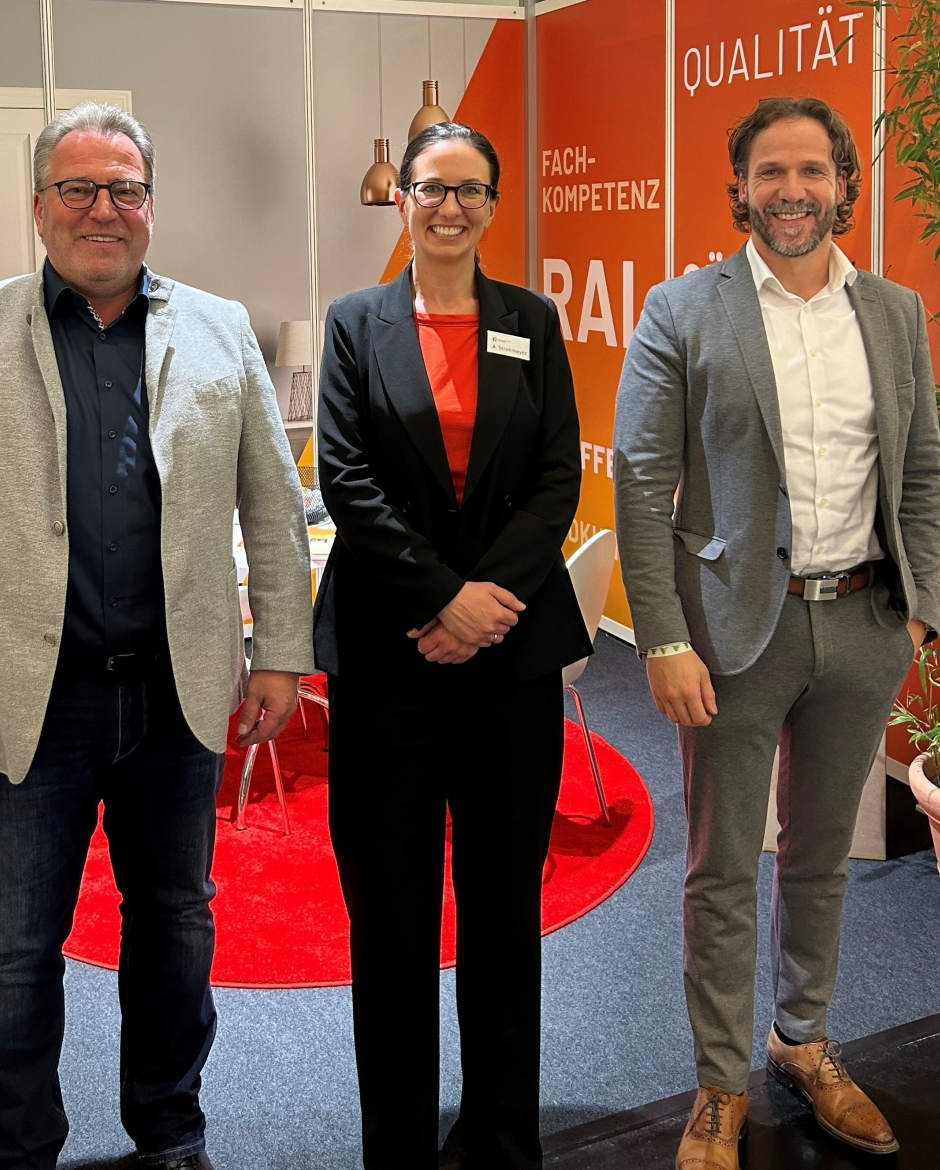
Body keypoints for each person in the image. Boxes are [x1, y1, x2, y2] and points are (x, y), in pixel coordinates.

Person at [0, 101, 313, 1170]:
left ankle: (170, 1132)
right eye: (78, 188)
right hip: (26, 703)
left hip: (175, 693)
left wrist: (283, 651)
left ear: (151, 204)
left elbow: (273, 507)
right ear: (39, 206)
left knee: (176, 924)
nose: (102, 209)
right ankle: (15, 1153)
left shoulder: (220, 331)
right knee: (12, 950)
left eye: (125, 189)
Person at [614, 96, 940, 1169]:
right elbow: (642, 481)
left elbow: (923, 468)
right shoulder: (683, 308)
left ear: (845, 184)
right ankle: (719, 1085)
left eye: (811, 171)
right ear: (741, 188)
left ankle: (802, 1041)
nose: (791, 190)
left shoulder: (892, 311)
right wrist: (662, 637)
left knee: (820, 856)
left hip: (863, 622)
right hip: (728, 636)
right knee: (721, 868)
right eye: (770, 171)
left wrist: (919, 609)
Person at [314, 121, 591, 1170]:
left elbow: (558, 477)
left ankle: (503, 1139)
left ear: (493, 204)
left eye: (471, 190)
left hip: (510, 657)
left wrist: (485, 602)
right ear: (403, 199)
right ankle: (397, 1146)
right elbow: (346, 478)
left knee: (503, 909)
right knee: (390, 916)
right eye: (431, 188)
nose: (450, 207)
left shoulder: (531, 320)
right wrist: (441, 598)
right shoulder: (356, 323)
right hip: (390, 653)